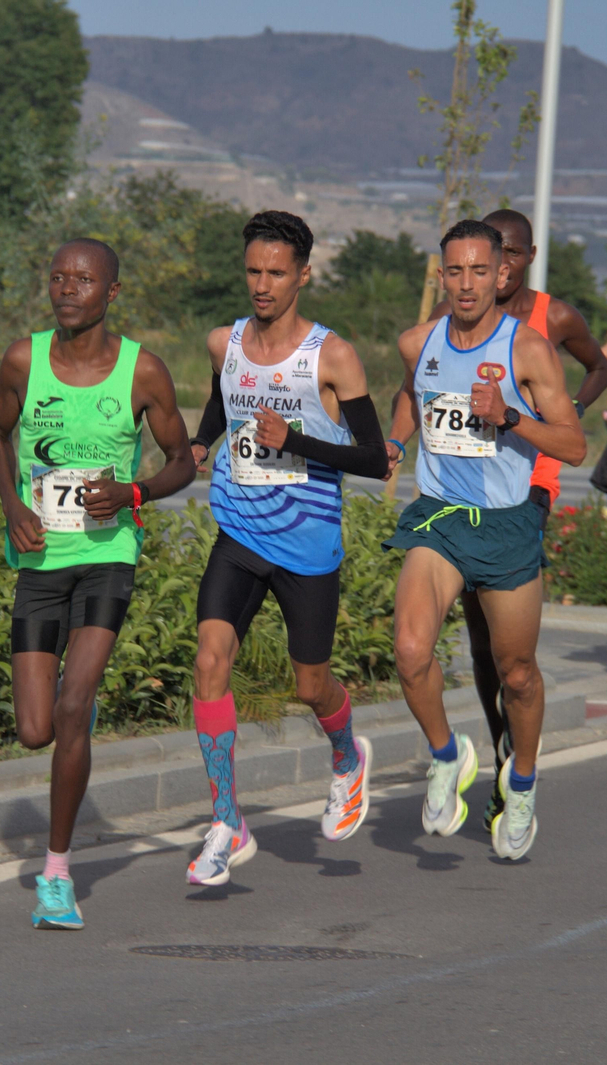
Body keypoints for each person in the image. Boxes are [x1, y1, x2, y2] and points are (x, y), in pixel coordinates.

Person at [0, 238, 196, 929]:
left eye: (83, 279)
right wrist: (14, 508)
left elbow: (183, 461)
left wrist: (133, 494)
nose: (66, 288)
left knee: (74, 704)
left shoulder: (143, 372)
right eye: (57, 277)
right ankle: (76, 714)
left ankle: (55, 873)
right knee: (33, 730)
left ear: (112, 291)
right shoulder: (24, 359)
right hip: (41, 563)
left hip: (109, 557)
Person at [184, 210, 390, 886]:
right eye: (253, 270)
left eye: (276, 272)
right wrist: (200, 440)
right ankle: (225, 820)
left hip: (306, 545)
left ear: (303, 274)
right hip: (239, 530)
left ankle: (345, 755)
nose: (262, 284)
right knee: (211, 659)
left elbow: (372, 457)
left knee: (310, 683)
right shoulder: (225, 341)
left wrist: (293, 440)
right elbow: (224, 400)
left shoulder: (332, 356)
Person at [384, 218, 587, 861]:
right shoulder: (418, 342)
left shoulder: (527, 349)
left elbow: (574, 445)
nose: (466, 284)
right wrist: (395, 440)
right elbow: (413, 398)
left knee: (518, 674)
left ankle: (520, 782)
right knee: (412, 649)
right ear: (439, 275)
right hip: (440, 516)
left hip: (505, 523)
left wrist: (510, 417)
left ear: (501, 274)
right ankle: (448, 757)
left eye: (480, 271)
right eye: (455, 271)